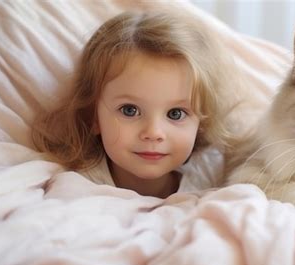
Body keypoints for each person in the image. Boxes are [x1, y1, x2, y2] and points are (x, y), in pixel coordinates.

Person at [32, 7, 241, 198]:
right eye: (130, 110)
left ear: (201, 122)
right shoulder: (78, 186)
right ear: (93, 115)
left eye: (175, 113)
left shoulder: (215, 175)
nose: (153, 132)